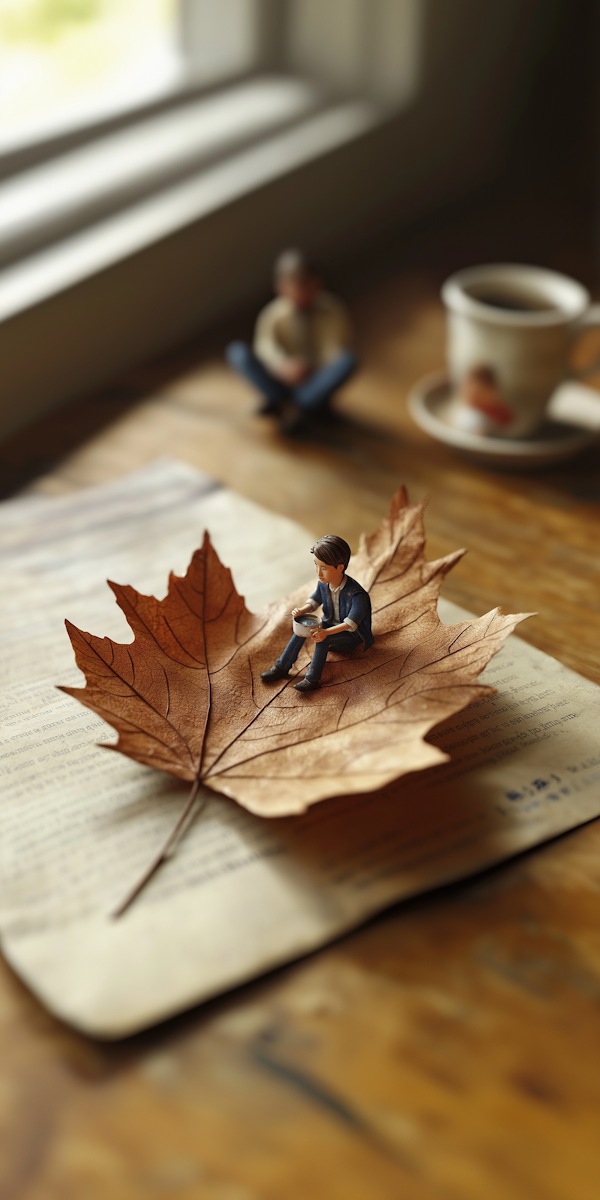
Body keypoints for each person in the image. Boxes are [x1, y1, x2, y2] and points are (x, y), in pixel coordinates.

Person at [226, 249, 357, 432]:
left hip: (314, 380)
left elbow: (336, 350)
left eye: (307, 284)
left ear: (318, 282)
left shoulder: (333, 310)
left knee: (349, 360)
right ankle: (295, 407)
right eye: (295, 285)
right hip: (281, 377)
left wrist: (310, 368)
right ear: (280, 287)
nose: (302, 291)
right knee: (237, 352)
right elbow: (265, 348)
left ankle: (287, 406)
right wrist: (283, 365)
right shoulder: (273, 315)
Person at [261, 534, 373, 692]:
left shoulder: (357, 595)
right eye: (316, 565)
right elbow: (315, 600)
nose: (318, 573)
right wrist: (302, 610)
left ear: (340, 567)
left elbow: (351, 625)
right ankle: (282, 666)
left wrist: (326, 633)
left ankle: (312, 679)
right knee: (300, 631)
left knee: (322, 640)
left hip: (351, 636)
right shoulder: (323, 584)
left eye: (324, 568)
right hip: (327, 624)